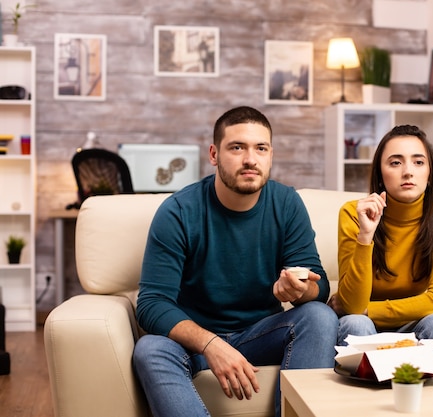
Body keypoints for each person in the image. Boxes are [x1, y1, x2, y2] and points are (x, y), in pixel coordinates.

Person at [133, 106, 339, 417]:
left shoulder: (287, 203)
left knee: (319, 316)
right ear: (214, 154)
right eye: (237, 147)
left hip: (262, 334)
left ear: (271, 154)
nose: (250, 160)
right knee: (150, 349)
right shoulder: (178, 211)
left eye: (261, 148)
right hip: (196, 343)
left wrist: (300, 290)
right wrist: (212, 344)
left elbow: (318, 287)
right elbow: (151, 303)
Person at [327, 124, 433, 363]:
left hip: (413, 324)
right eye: (396, 162)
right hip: (365, 325)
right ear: (380, 174)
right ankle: (362, 401)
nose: (408, 171)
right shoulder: (352, 213)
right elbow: (352, 306)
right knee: (355, 322)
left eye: (418, 162)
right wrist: (365, 236)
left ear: (430, 173)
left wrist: (372, 309)